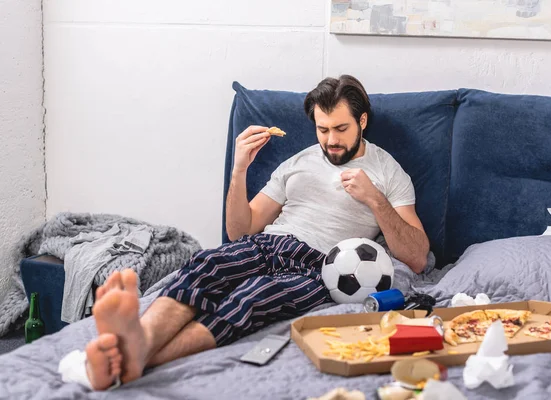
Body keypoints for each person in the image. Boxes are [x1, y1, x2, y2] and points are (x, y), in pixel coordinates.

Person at [81, 75, 430, 390]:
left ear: (362, 121)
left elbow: (415, 257)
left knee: (253, 297)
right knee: (209, 264)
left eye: (341, 129)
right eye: (323, 130)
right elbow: (240, 231)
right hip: (269, 241)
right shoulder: (297, 163)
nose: (331, 140)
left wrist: (374, 199)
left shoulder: (387, 172)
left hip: (321, 264)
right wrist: (240, 168)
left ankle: (136, 357)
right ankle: (139, 340)